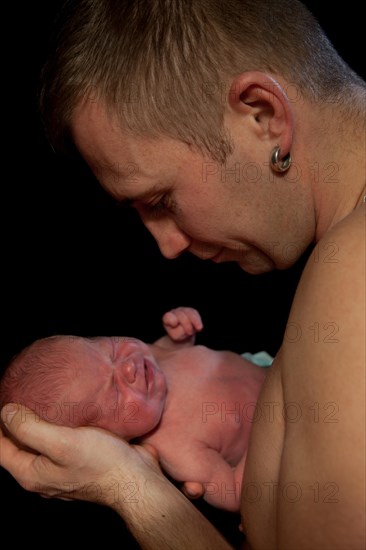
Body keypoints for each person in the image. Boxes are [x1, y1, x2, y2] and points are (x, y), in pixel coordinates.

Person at [1, 1, 365, 549]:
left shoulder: (353, 280)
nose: (168, 245)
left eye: (162, 199)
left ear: (264, 115)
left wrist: (128, 486)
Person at [0, 306, 270, 513]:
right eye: (115, 393)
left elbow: (180, 352)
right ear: (112, 439)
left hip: (274, 368)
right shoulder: (178, 449)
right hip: (288, 432)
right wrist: (272, 430)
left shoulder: (153, 356)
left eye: (110, 349)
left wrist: (180, 335)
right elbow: (237, 494)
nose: (128, 366)